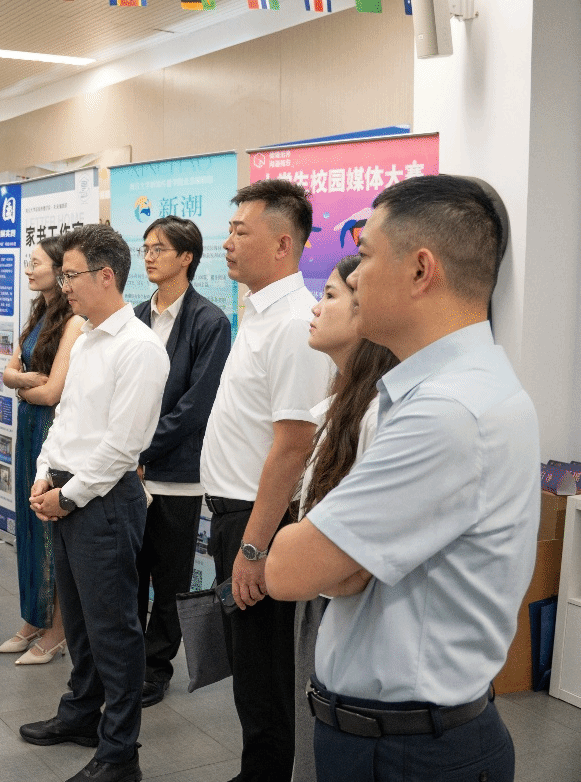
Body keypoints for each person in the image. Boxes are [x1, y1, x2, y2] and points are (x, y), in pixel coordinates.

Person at [267, 175, 536, 782]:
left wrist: (333, 557)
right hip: (392, 737)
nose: (354, 278)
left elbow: (290, 570)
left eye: (364, 256)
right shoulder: (432, 389)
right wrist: (344, 560)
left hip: (408, 753)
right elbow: (339, 571)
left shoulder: (448, 411)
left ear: (420, 270)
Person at [19, 223, 167, 782]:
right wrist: (44, 476)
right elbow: (66, 418)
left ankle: (120, 752)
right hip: (66, 487)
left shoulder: (139, 348)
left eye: (71, 275)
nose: (64, 286)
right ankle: (81, 714)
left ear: (106, 276)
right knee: (79, 622)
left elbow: (122, 447)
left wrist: (69, 495)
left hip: (102, 498)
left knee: (114, 630)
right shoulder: (84, 336)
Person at [201, 179, 332, 782]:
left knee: (267, 672)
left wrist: (254, 548)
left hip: (263, 522)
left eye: (240, 231)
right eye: (229, 230)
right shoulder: (258, 314)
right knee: (250, 668)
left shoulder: (294, 324)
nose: (227, 242)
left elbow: (293, 444)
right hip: (238, 517)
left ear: (283, 244)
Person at [286, 255, 398, 782]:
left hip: (343, 601)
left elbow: (358, 559)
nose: (316, 307)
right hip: (322, 596)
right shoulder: (341, 403)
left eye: (330, 295)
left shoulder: (379, 413)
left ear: (365, 311)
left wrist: (293, 558)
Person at [131, 215, 232, 706]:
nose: (149, 256)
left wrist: (138, 449)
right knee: (129, 573)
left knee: (170, 579)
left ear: (187, 257)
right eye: (145, 247)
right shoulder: (134, 317)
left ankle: (156, 667)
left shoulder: (210, 322)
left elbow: (195, 406)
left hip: (176, 474)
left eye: (159, 248)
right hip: (128, 473)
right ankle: (126, 660)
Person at [0, 236, 84, 665]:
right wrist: (26, 381)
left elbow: (53, 393)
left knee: (50, 530)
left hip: (51, 430)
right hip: (29, 426)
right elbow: (7, 372)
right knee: (29, 526)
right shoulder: (37, 313)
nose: (30, 271)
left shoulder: (74, 321)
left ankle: (58, 630)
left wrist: (24, 386)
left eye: (36, 263)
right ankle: (34, 618)